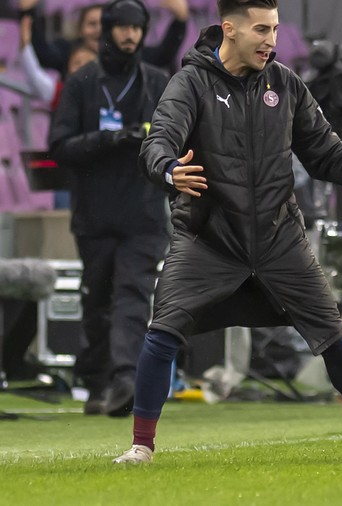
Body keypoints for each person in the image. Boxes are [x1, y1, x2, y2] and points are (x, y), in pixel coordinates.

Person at [112, 0, 342, 464]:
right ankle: (141, 447)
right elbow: (158, 142)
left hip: (280, 238)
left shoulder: (285, 83)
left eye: (275, 29)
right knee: (163, 331)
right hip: (209, 237)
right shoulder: (190, 83)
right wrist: (168, 169)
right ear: (229, 29)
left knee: (333, 333)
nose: (271, 41)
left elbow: (325, 152)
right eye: (261, 29)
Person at [48, 0, 171, 417]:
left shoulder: (158, 81)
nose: (130, 35)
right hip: (96, 213)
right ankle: (97, 381)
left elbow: (179, 137)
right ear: (108, 30)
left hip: (145, 212)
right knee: (97, 299)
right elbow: (59, 146)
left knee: (133, 294)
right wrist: (106, 139)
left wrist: (148, 142)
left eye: (137, 27)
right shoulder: (82, 82)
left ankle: (125, 379)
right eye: (122, 27)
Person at [19, 0, 189, 76]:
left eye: (104, 25)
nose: (98, 31)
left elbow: (162, 56)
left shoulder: (129, 55)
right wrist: (27, 12)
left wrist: (180, 21)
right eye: (91, 24)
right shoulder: (67, 52)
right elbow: (43, 53)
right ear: (80, 30)